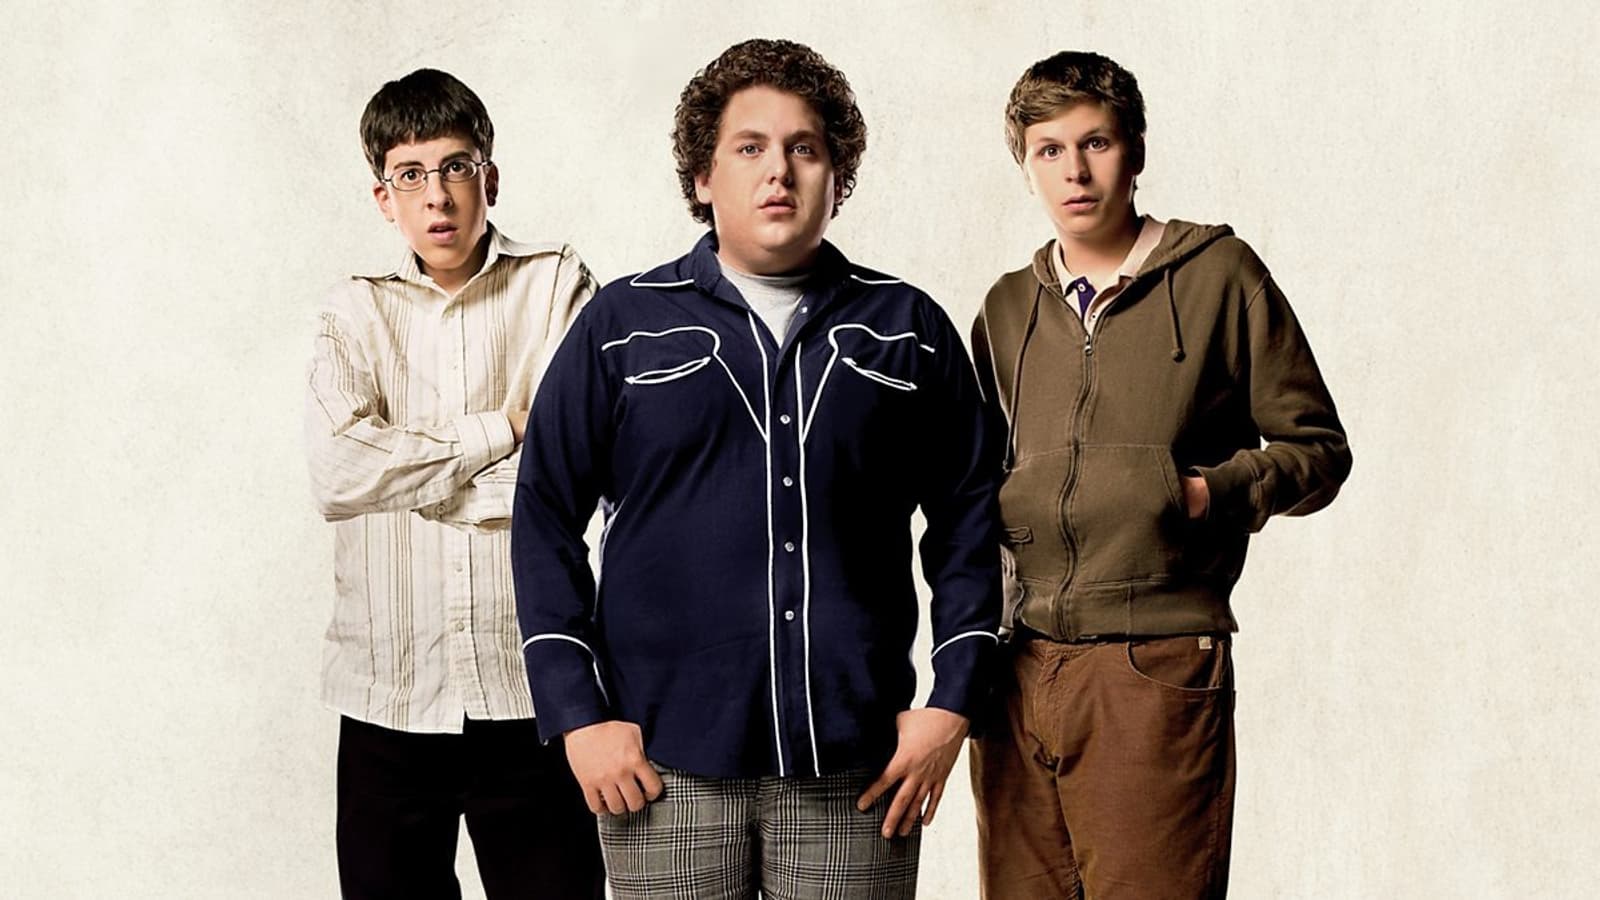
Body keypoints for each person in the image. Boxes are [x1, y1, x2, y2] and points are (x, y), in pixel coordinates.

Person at [511, 38, 1001, 900]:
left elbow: (972, 520)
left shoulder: (908, 327)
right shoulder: (620, 326)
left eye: (804, 148)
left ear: (836, 177)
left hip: (858, 768)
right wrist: (577, 714)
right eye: (750, 148)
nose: (779, 170)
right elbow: (545, 514)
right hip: (659, 769)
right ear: (703, 177)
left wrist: (952, 701)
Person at [968, 50, 1353, 899]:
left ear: (1135, 151)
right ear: (1025, 165)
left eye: (1096, 143)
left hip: (1154, 663)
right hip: (1017, 671)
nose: (1074, 171)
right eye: (1049, 149)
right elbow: (981, 482)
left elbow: (1319, 449)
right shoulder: (1005, 307)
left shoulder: (1220, 275)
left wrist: (1203, 493)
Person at [304, 68, 604, 899]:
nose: (436, 195)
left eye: (455, 166)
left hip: (531, 690)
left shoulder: (556, 285)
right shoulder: (353, 312)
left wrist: (404, 480)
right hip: (388, 695)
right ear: (383, 197)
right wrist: (499, 433)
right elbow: (336, 474)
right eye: (410, 174)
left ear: (489, 177)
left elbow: (574, 472)